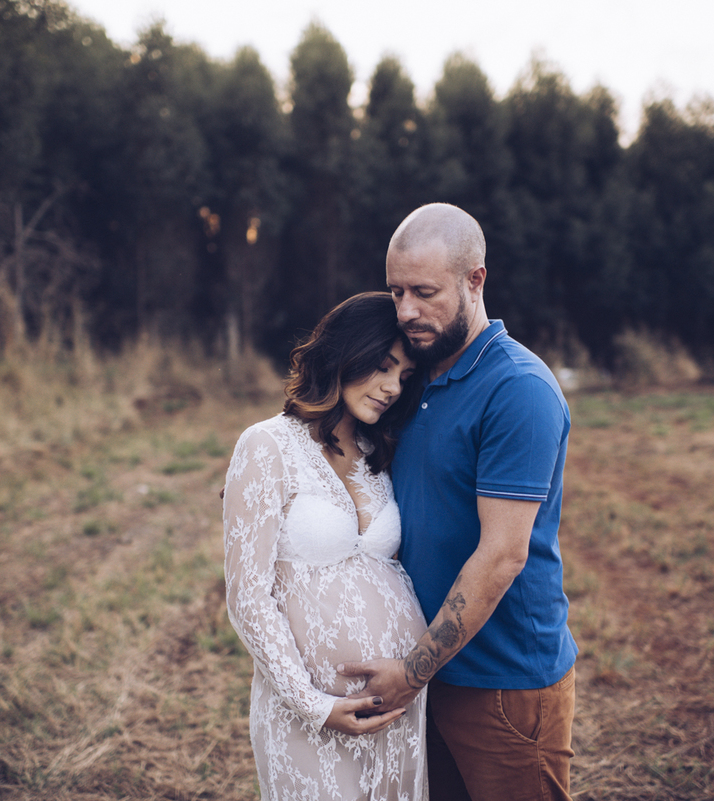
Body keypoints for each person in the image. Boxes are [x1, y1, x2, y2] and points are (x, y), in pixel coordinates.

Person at [338, 204, 578, 801]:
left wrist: (411, 672)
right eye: (396, 292)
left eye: (424, 291)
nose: (406, 311)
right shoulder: (410, 378)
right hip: (430, 677)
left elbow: (502, 557)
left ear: (476, 280)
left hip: (503, 685)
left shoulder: (517, 389)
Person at [223, 291, 428, 801]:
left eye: (403, 376)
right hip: (309, 714)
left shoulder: (377, 453)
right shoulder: (267, 445)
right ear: (345, 352)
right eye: (382, 366)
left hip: (399, 709)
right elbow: (248, 596)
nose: (391, 388)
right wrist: (313, 705)